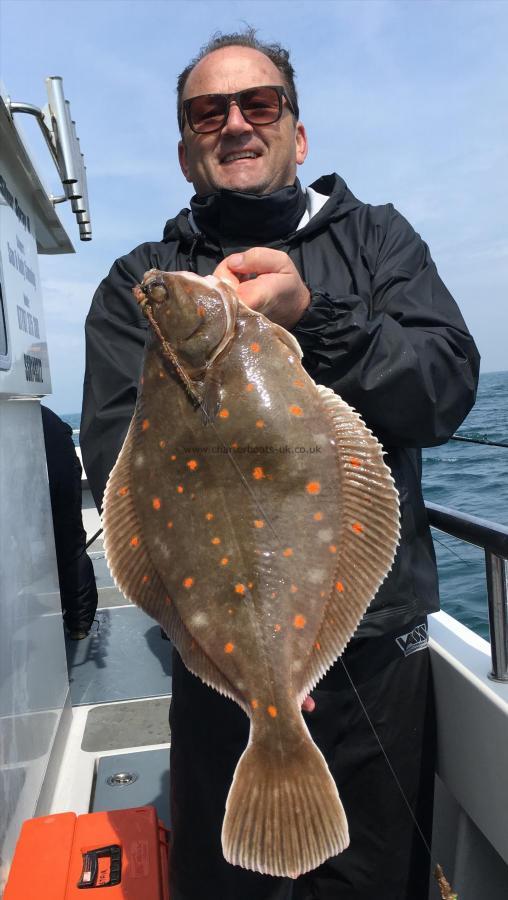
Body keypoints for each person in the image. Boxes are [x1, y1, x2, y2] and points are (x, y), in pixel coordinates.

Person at [80, 29, 480, 900]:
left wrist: (316, 318)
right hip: (217, 664)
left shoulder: (379, 244)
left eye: (259, 105)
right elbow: (118, 460)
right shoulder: (138, 284)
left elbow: (444, 391)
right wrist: (235, 655)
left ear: (298, 136)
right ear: (185, 151)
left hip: (375, 658)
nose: (235, 124)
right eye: (207, 113)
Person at [41, 404, 98, 639]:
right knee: (71, 544)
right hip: (60, 454)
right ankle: (79, 624)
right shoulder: (43, 414)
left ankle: (78, 621)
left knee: (68, 545)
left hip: (51, 461)